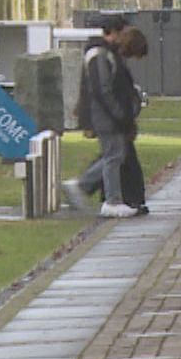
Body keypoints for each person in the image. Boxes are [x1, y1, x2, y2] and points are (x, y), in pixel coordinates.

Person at [67, 24, 148, 217]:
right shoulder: (102, 56)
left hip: (108, 115)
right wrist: (120, 113)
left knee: (114, 155)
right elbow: (104, 90)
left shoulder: (106, 55)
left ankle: (86, 186)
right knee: (113, 157)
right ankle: (107, 198)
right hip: (107, 116)